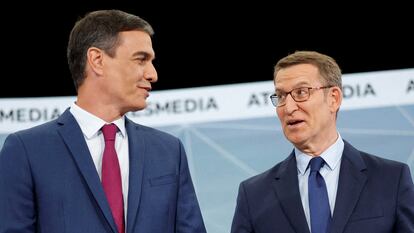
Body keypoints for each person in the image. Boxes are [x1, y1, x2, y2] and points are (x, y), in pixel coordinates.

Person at [0, 10, 206, 233]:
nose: (152, 74)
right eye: (141, 59)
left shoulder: (169, 151)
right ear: (97, 60)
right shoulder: (27, 151)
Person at [231, 51, 414, 233]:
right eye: (281, 96)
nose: (288, 107)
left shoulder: (391, 180)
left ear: (333, 99)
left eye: (301, 92)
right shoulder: (253, 196)